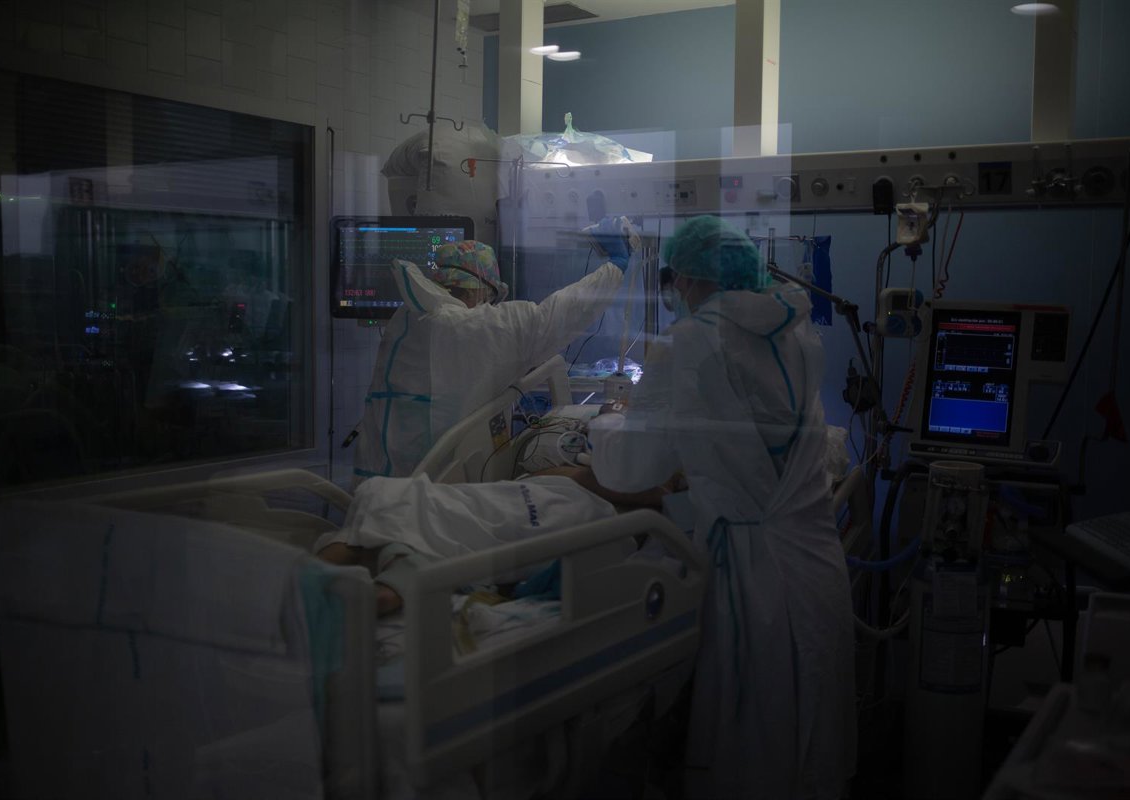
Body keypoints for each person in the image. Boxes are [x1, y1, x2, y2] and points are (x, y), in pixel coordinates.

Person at [587, 215, 856, 799]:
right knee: (809, 744)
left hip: (754, 578)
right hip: (815, 563)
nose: (677, 291)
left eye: (677, 279)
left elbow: (633, 467)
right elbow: (750, 434)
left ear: (690, 278)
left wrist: (603, 424)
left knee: (755, 753)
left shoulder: (692, 342)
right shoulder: (796, 331)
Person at [354, 222, 634, 484]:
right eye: (490, 298)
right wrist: (615, 267)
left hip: (377, 480)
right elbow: (554, 318)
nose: (489, 305)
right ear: (478, 288)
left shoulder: (408, 317)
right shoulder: (467, 326)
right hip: (429, 486)